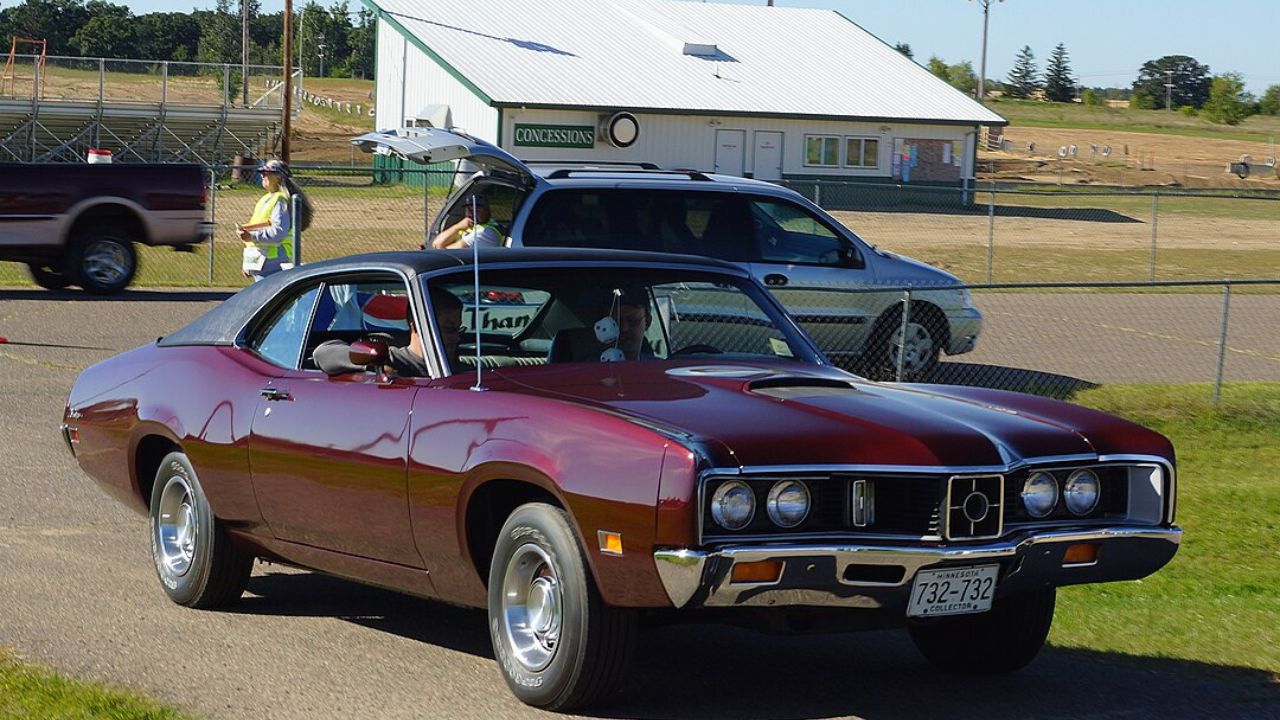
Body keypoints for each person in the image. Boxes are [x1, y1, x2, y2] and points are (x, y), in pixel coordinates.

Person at [313, 289, 463, 377]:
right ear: (417, 327)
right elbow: (322, 353)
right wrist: (371, 362)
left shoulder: (460, 369)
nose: (457, 338)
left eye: (459, 329)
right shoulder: (393, 360)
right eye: (449, 329)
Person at [239, 160, 294, 281]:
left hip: (274, 262)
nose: (262, 176)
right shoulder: (266, 199)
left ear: (278, 177)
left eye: (266, 173)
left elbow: (278, 232)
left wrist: (251, 236)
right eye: (262, 173)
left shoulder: (280, 200)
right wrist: (248, 264)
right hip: (261, 262)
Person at [431, 194, 502, 250]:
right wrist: (457, 227)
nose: (471, 214)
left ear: (487, 211)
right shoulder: (466, 226)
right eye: (468, 210)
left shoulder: (487, 232)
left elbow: (446, 252)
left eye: (476, 210)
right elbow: (436, 244)